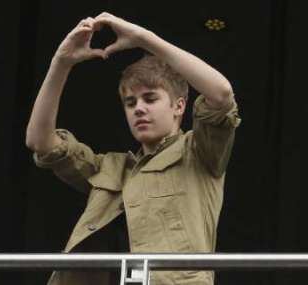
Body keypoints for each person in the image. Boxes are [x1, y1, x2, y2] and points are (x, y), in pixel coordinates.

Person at [26, 11, 241, 285]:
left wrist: (143, 38)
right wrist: (61, 63)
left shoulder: (198, 152)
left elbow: (221, 94)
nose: (139, 108)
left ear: (179, 106)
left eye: (150, 98)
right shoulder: (110, 167)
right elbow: (40, 142)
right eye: (130, 103)